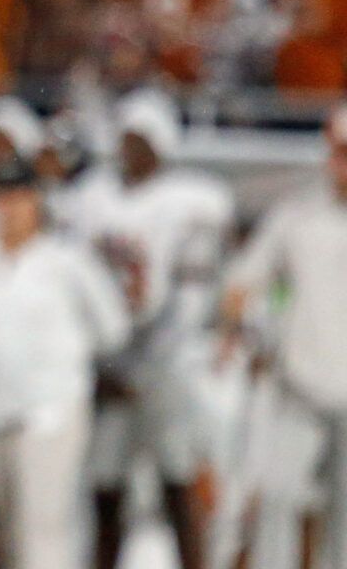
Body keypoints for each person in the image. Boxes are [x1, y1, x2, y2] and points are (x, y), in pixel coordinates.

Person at [69, 88, 233, 569]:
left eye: (140, 138)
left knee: (177, 482)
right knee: (105, 490)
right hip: (110, 367)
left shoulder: (191, 202)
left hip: (166, 364)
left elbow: (190, 300)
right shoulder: (93, 198)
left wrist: (142, 364)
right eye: (125, 137)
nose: (129, 148)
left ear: (163, 145)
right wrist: (105, 361)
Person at [0, 155, 128, 569]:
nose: (7, 208)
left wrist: (71, 366)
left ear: (36, 202)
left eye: (17, 197)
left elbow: (112, 328)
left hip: (51, 410)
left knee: (42, 529)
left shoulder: (64, 261)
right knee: (5, 532)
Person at [220, 102, 347, 569]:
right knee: (278, 503)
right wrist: (238, 330)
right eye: (338, 152)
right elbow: (242, 282)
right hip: (299, 389)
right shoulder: (297, 218)